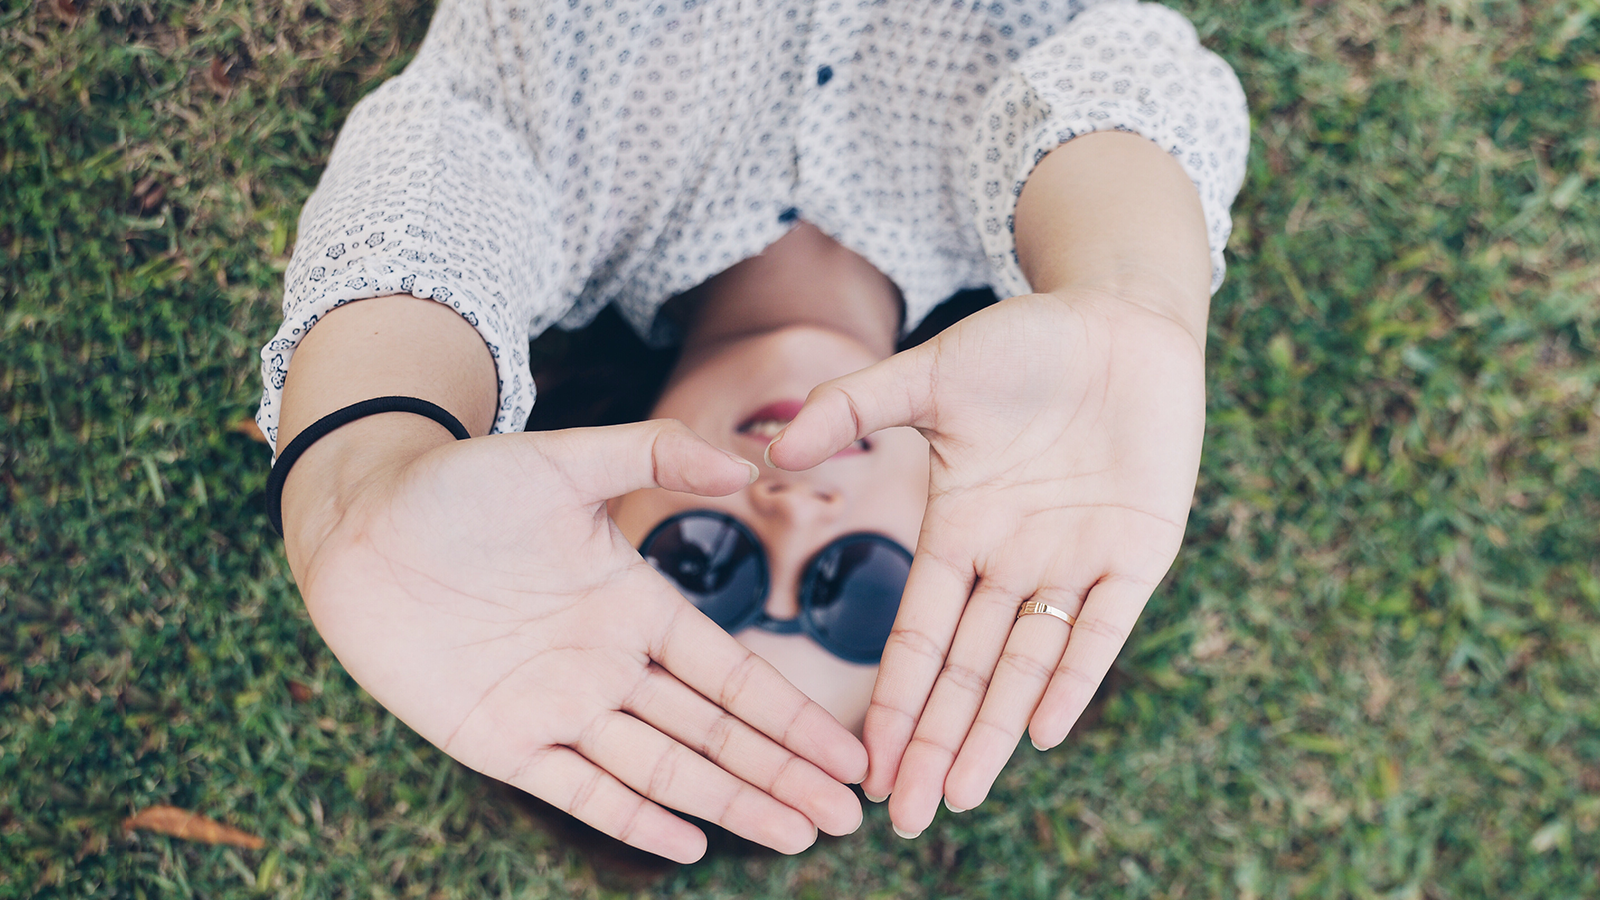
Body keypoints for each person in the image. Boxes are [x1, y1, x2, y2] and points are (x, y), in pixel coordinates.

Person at [259, 0, 1248, 864]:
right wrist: (1131, 289)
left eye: (701, 564)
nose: (791, 512)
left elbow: (441, 182)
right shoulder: (1035, 219)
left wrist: (355, 472)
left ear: (593, 512)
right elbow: (1123, 70)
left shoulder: (555, 188)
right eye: (858, 586)